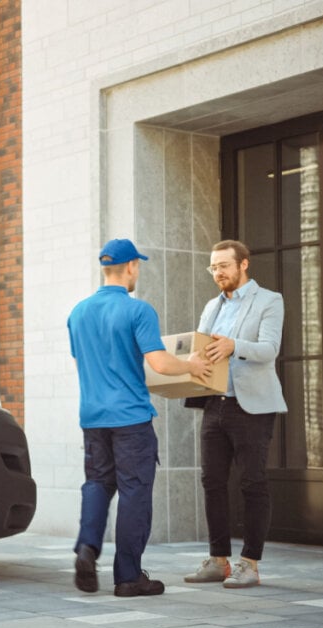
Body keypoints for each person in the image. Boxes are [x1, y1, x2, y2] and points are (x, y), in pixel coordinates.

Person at [68, 238, 210, 597]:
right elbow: (160, 362)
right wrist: (191, 365)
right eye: (138, 266)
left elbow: (89, 361)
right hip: (130, 418)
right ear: (131, 266)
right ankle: (129, 577)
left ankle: (87, 548)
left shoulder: (78, 312)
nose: (138, 272)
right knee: (134, 492)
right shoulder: (138, 310)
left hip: (93, 417)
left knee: (98, 484)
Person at [183, 239, 287, 589]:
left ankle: (250, 563)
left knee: (252, 482)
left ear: (243, 264)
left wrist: (233, 346)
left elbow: (270, 349)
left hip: (252, 406)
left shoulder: (269, 300)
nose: (218, 273)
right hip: (215, 403)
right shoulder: (212, 306)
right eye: (213, 267)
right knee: (212, 482)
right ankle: (218, 560)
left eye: (224, 266)